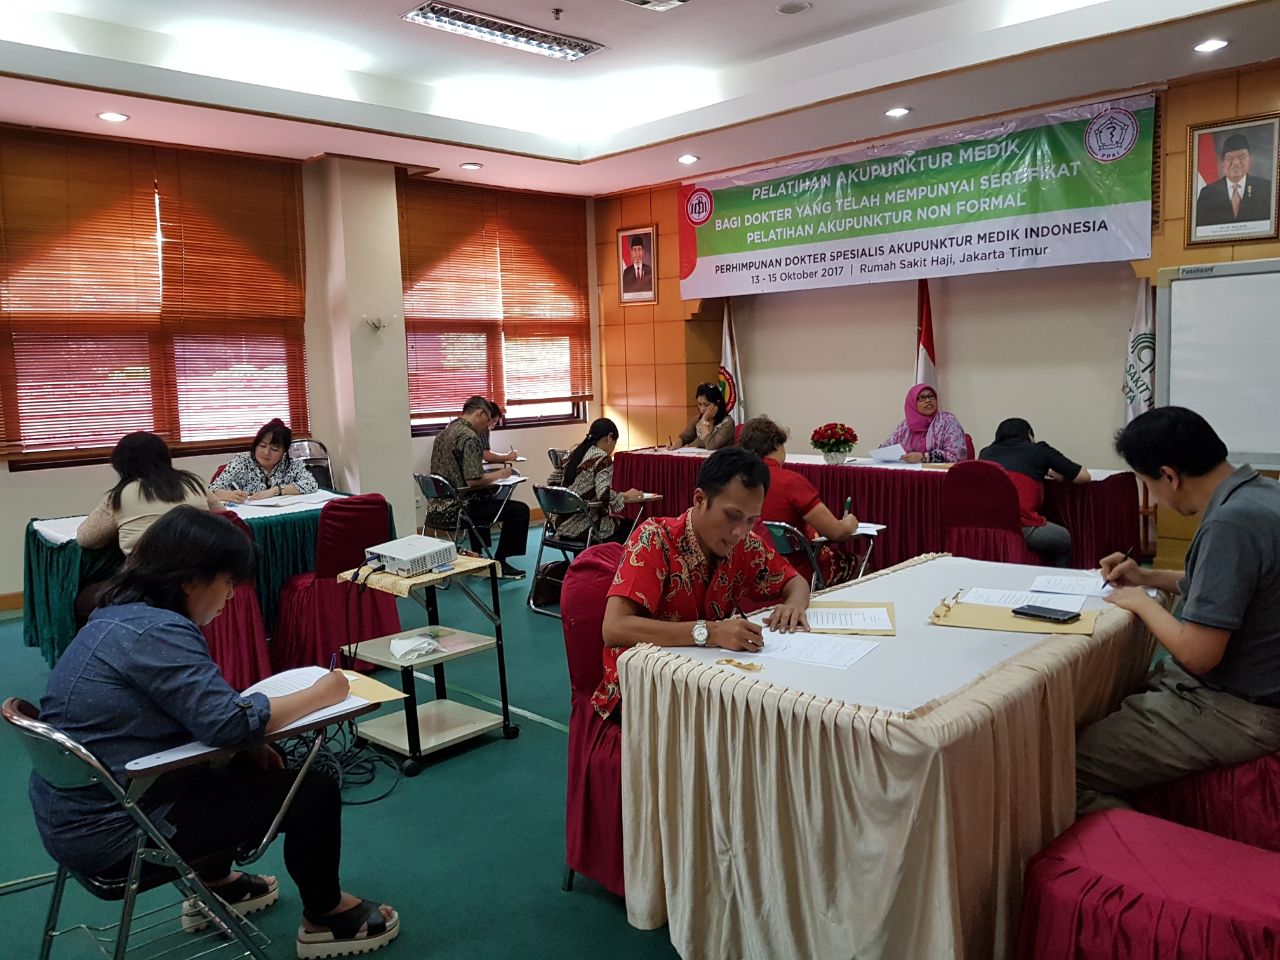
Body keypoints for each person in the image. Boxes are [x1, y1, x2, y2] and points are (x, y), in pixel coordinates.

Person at [29, 507, 400, 957]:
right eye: (227, 581)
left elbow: (181, 716)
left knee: (242, 763)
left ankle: (216, 884)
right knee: (313, 789)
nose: (230, 595)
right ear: (190, 579)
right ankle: (326, 918)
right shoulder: (160, 631)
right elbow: (228, 724)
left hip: (77, 816)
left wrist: (245, 745)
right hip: (120, 834)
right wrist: (320, 693)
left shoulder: (116, 614)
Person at [1076, 407, 1280, 815]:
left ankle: (1143, 848)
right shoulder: (1263, 494)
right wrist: (1146, 577)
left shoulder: (1230, 524)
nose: (1153, 496)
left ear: (1169, 475)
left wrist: (1139, 601)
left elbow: (1198, 654)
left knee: (1062, 769)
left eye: (1147, 483)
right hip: (1256, 690)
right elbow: (1228, 583)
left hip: (1238, 709)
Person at [594, 447, 812, 719]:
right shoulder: (654, 540)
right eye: (732, 516)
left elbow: (795, 581)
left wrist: (794, 604)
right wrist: (710, 632)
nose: (740, 531)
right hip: (643, 689)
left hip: (706, 678)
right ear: (699, 499)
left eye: (750, 520)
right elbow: (614, 628)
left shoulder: (743, 545)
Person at [738, 415, 864, 587]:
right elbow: (836, 533)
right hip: (795, 572)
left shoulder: (735, 481)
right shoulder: (790, 482)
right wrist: (849, 523)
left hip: (749, 569)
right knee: (859, 563)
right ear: (776, 444)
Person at [423, 395, 530, 580]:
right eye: (488, 420)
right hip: (458, 510)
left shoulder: (443, 434)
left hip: (436, 508)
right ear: (480, 413)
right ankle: (500, 563)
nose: (487, 426)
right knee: (519, 511)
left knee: (484, 498)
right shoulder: (469, 437)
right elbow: (473, 481)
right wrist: (499, 475)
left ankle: (478, 555)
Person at [78, 431, 222, 556]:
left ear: (121, 465)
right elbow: (222, 517)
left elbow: (87, 539)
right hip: (200, 568)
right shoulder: (193, 483)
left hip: (149, 573)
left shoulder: (120, 495)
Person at [979, 418, 1091, 567]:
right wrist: (1053, 472)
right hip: (1023, 526)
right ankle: (1058, 578)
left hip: (987, 526)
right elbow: (1084, 477)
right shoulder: (1039, 450)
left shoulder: (985, 453)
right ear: (1029, 435)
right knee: (1065, 539)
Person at [546, 417, 642, 543]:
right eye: (614, 443)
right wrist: (625, 496)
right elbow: (603, 494)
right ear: (610, 437)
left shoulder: (573, 455)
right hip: (584, 526)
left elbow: (552, 483)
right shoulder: (602, 459)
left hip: (560, 524)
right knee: (633, 527)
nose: (613, 448)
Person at [210, 418, 319, 503]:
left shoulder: (292, 464)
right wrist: (231, 495)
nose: (266, 452)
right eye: (262, 446)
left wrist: (276, 490)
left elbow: (311, 484)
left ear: (284, 452)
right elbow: (212, 490)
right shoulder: (242, 461)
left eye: (274, 449)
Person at [1195, 132, 1273, 227]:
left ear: (1249, 161)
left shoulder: (1266, 189)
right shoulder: (1207, 193)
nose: (1236, 163)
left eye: (1242, 157)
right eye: (1229, 158)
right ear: (1222, 163)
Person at [877, 384, 967, 463]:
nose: (928, 400)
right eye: (922, 398)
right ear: (912, 403)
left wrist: (924, 457)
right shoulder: (905, 426)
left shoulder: (948, 421)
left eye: (931, 396)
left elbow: (957, 455)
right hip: (908, 473)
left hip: (938, 475)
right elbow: (885, 449)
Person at [675, 382, 735, 451]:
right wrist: (676, 445)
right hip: (694, 455)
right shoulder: (698, 419)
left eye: (706, 405)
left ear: (717, 403)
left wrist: (704, 422)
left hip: (718, 457)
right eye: (699, 404)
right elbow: (684, 438)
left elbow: (711, 446)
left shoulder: (728, 423)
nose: (702, 409)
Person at [477, 399, 518, 466]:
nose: (493, 426)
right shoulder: (483, 428)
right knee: (510, 471)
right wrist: (508, 456)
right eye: (494, 421)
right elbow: (487, 456)